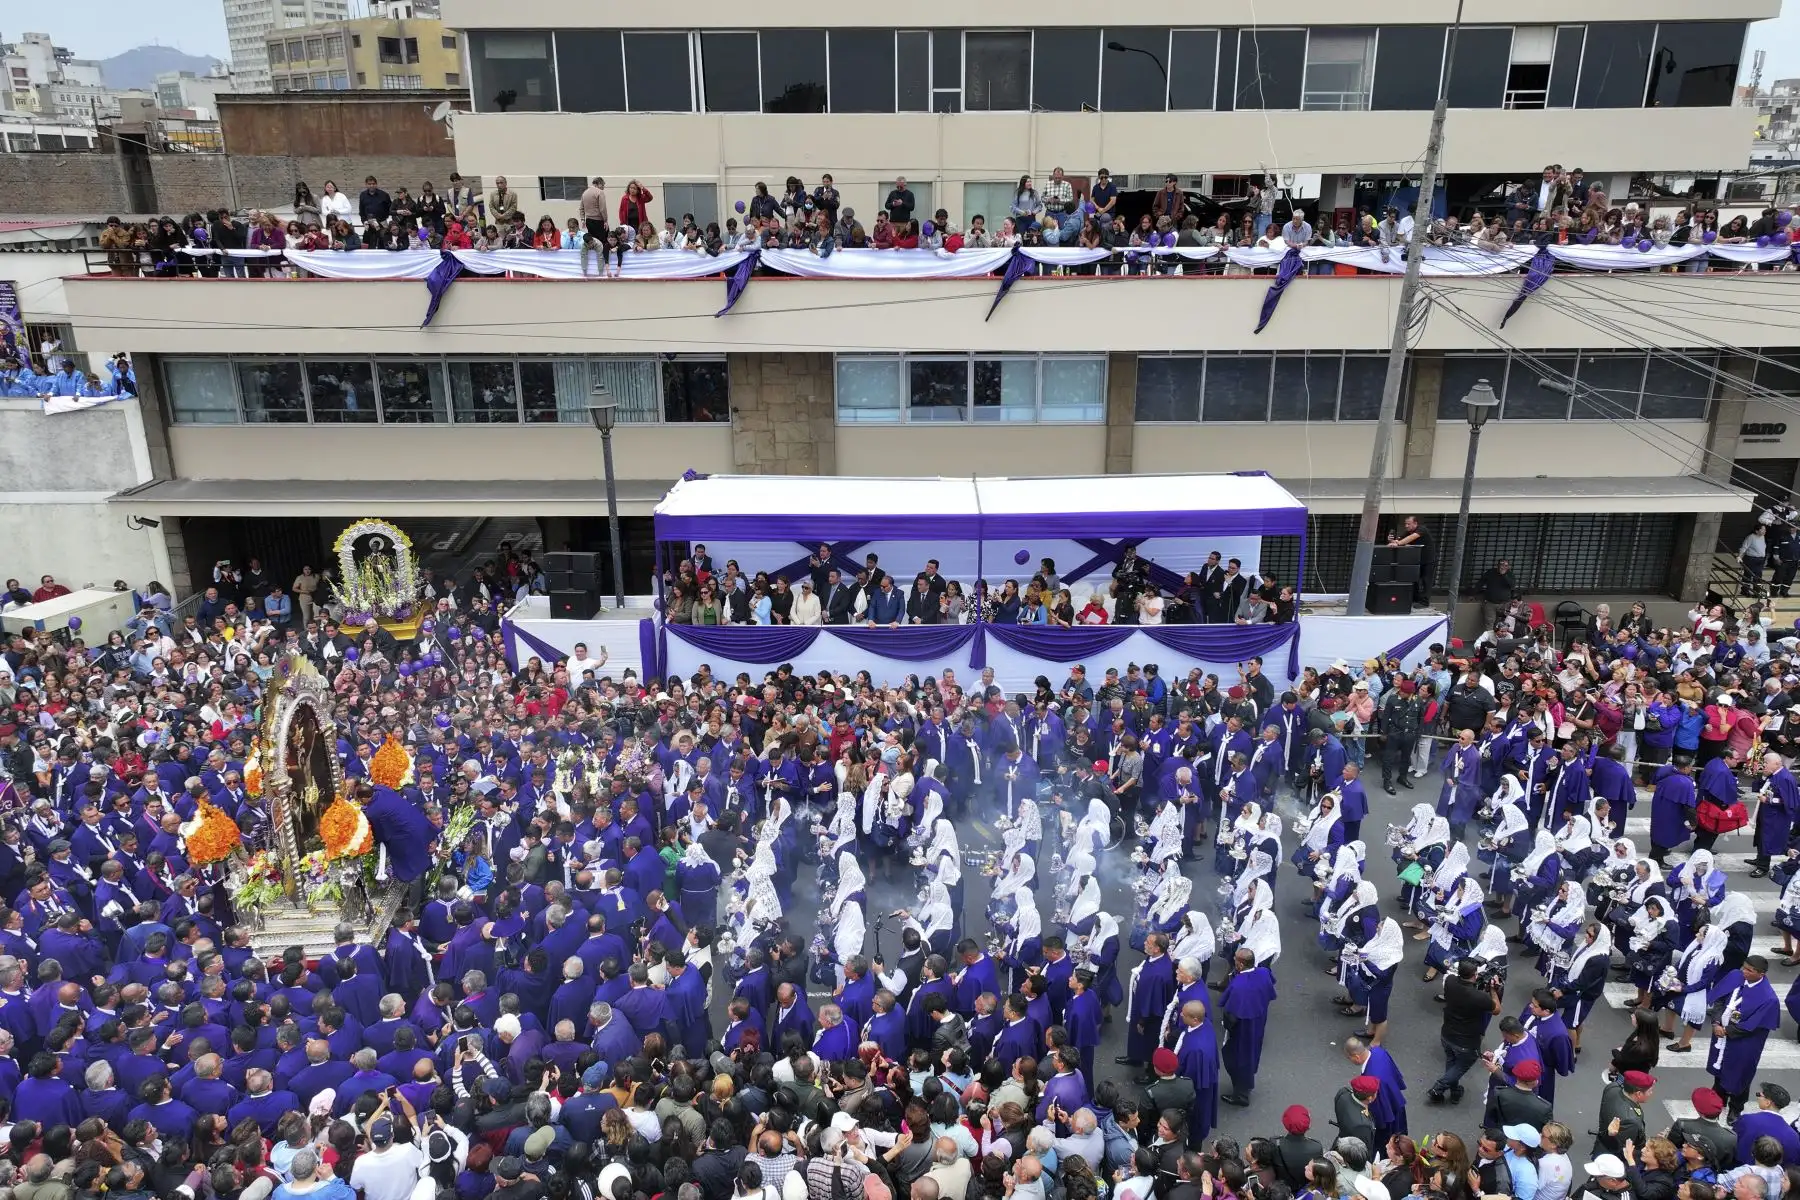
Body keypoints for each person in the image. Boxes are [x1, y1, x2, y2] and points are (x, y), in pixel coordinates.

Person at [1426, 958, 1502, 1104]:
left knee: (1452, 1063)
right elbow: (1497, 1009)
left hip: (1447, 1033)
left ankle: (1455, 1091)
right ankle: (1438, 1087)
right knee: (1460, 1067)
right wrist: (1493, 990)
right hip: (1466, 1041)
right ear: (1474, 975)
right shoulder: (1479, 997)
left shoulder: (1450, 981)